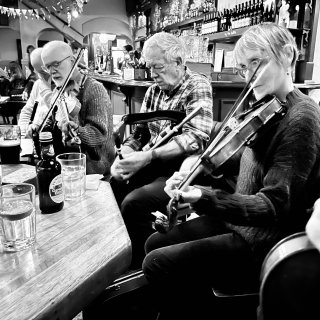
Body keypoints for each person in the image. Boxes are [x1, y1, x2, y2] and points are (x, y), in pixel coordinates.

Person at [142, 23, 320, 320]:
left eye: (256, 63)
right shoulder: (265, 106)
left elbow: (273, 205)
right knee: (154, 242)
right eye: (242, 67)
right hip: (237, 221)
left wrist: (204, 198)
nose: (249, 75)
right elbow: (240, 160)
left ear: (287, 56)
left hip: (260, 239)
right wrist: (193, 170)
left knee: (156, 262)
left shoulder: (301, 118)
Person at [110, 32, 213, 269]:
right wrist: (126, 153)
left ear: (178, 62)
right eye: (149, 67)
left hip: (182, 171)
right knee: (113, 183)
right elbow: (140, 133)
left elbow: (196, 139)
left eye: (157, 66)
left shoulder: (197, 85)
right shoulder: (153, 90)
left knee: (133, 203)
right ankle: (123, 251)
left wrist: (148, 156)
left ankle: (142, 265)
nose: (152, 74)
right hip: (152, 162)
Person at [41, 40, 115, 175]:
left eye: (56, 64)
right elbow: (53, 120)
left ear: (72, 60)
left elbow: (99, 135)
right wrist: (42, 127)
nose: (52, 71)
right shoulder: (59, 89)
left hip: (94, 168)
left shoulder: (94, 89)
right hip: (68, 163)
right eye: (47, 67)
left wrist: (77, 130)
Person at [18, 48, 52, 137]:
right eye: (41, 72)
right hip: (35, 139)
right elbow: (27, 110)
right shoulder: (38, 84)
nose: (47, 75)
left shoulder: (67, 88)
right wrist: (23, 131)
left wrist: (38, 124)